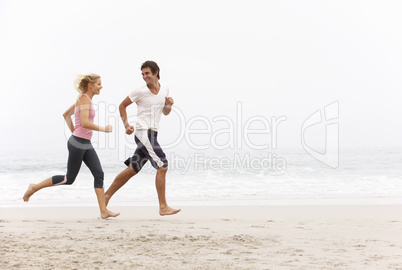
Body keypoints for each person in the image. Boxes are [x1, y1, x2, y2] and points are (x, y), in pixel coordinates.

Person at [23, 74, 120, 219]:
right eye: (99, 84)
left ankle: (103, 211)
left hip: (84, 142)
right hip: (78, 142)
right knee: (69, 179)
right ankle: (34, 187)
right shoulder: (83, 100)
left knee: (99, 173)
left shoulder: (83, 100)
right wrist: (103, 129)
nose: (101, 87)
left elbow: (66, 115)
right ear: (90, 85)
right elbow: (85, 123)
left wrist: (75, 131)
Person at [105, 61, 180, 216]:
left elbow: (165, 113)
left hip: (153, 133)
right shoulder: (139, 91)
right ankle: (163, 207)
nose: (145, 76)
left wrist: (169, 105)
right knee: (163, 165)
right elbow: (122, 106)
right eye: (143, 74)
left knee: (133, 169)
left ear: (156, 72)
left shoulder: (165, 88)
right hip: (143, 133)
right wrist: (126, 125)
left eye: (147, 73)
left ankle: (105, 197)